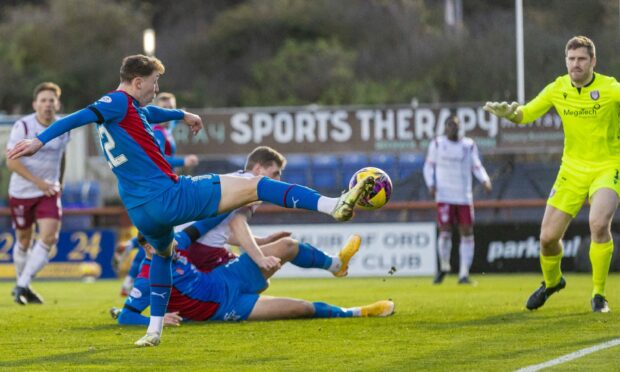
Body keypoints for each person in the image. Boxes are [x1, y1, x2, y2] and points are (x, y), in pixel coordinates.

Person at [6, 54, 375, 346]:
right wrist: (41, 139)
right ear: (137, 82)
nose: (156, 88)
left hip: (142, 212)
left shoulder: (129, 112)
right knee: (255, 182)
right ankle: (333, 205)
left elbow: (152, 112)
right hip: (168, 195)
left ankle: (153, 331)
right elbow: (83, 114)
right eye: (154, 82)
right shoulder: (117, 100)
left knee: (164, 256)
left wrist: (182, 114)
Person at [484, 36, 619, 312]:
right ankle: (552, 282)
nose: (575, 64)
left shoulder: (610, 88)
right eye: (571, 59)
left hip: (608, 167)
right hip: (571, 170)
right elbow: (527, 113)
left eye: (581, 59)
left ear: (593, 61)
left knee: (598, 223)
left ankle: (598, 295)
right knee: (547, 239)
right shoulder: (558, 88)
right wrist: (511, 115)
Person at [110, 233, 393, 326]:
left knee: (287, 245)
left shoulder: (177, 242)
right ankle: (356, 312)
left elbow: (215, 227)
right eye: (163, 241)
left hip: (227, 276)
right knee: (301, 308)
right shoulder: (147, 277)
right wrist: (156, 320)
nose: (173, 243)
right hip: (228, 306)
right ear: (147, 249)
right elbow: (126, 317)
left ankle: (336, 265)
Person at [116, 92, 198, 296]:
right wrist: (183, 162)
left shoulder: (166, 131)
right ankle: (136, 285)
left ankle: (129, 266)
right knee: (156, 240)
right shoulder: (159, 131)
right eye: (165, 106)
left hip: (157, 188)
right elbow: (158, 159)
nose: (168, 110)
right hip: (158, 190)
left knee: (153, 238)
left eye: (171, 106)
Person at [6, 82, 70, 305]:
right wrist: (38, 182)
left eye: (51, 100)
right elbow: (11, 162)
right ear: (35, 104)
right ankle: (24, 286)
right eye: (43, 100)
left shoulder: (63, 127)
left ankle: (21, 285)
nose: (47, 104)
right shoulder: (23, 126)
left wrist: (57, 183)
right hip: (22, 192)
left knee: (49, 238)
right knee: (23, 241)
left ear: (57, 103)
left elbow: (62, 156)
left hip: (48, 192)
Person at [423, 116, 491, 285]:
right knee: (445, 230)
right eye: (450, 125)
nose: (453, 128)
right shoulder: (437, 144)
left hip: (463, 196)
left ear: (461, 127)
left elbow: (477, 165)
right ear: (445, 127)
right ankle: (444, 265)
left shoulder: (468, 145)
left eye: (456, 125)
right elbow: (428, 166)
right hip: (444, 195)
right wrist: (431, 184)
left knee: (467, 232)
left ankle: (463, 273)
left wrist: (485, 180)